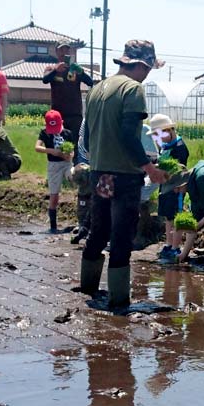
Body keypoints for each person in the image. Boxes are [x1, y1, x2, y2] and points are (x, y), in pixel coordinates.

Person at [77, 39, 169, 313]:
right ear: (141, 65)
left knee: (99, 227)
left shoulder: (96, 89)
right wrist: (149, 167)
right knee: (121, 235)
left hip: (101, 174)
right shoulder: (133, 89)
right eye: (149, 68)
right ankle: (119, 300)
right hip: (125, 177)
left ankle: (88, 286)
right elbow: (130, 136)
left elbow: (89, 139)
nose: (148, 74)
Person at [149, 113, 191, 265]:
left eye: (158, 135)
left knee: (175, 217)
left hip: (176, 188)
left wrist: (158, 168)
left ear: (169, 130)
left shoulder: (180, 148)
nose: (157, 139)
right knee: (167, 217)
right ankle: (168, 244)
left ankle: (175, 247)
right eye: (155, 136)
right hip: (164, 188)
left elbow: (176, 170)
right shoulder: (165, 146)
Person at [34, 110, 77, 234]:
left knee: (73, 177)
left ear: (62, 122)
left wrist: (68, 156)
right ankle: (53, 226)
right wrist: (52, 151)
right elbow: (37, 147)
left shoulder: (67, 133)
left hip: (67, 164)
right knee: (54, 196)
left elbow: (72, 151)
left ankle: (81, 216)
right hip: (53, 166)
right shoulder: (44, 133)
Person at [43, 40, 95, 137]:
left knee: (75, 145)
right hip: (57, 115)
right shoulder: (51, 68)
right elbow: (45, 80)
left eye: (67, 50)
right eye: (61, 50)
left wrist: (81, 73)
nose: (64, 53)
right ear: (56, 52)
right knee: (58, 145)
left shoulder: (75, 69)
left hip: (75, 114)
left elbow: (90, 82)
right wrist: (55, 70)